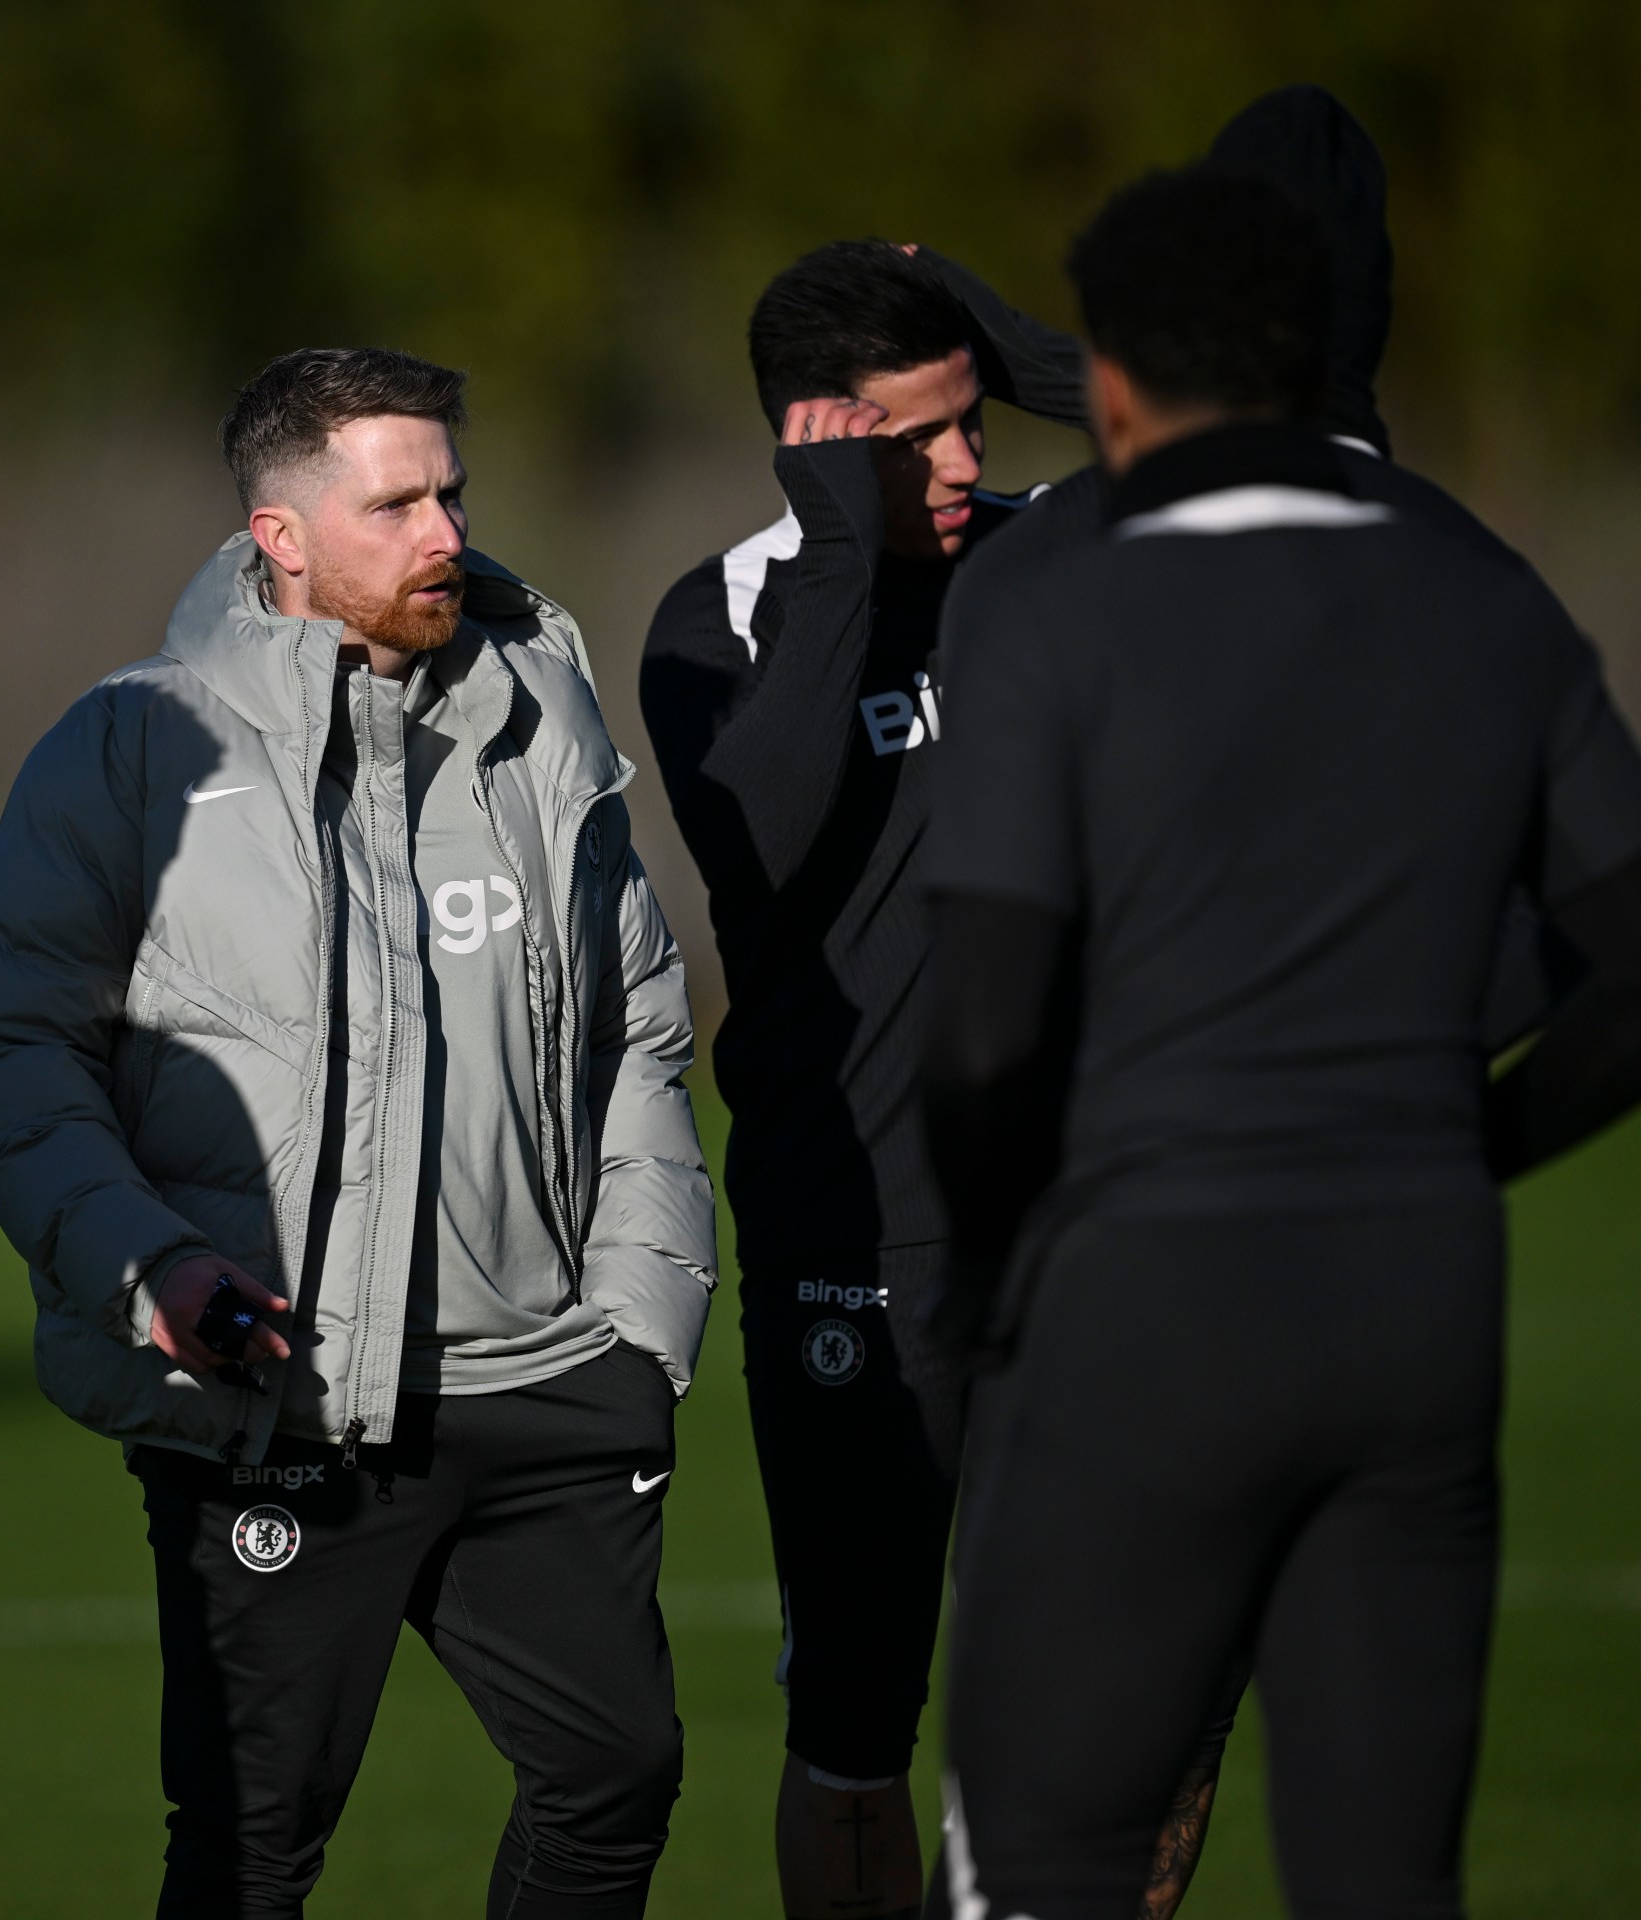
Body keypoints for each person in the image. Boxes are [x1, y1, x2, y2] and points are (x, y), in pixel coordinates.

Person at [922, 164, 1641, 1919]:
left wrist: (1000, 1278)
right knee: (1384, 1877)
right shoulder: (1487, 595)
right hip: (1416, 1298)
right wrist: (1464, 1150)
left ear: (1107, 384)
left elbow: (986, 1025)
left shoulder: (1052, 603)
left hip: (1149, 1291)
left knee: (1044, 1860)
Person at [0, 346, 717, 1918]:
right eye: (396, 505)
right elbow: (15, 1052)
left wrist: (640, 1315)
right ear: (280, 538)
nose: (446, 534)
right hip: (283, 1401)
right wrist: (150, 1269)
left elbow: (636, 1022)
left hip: (549, 1382)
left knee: (616, 1781)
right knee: (251, 1849)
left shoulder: (540, 719)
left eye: (451, 494)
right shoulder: (128, 749)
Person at [636, 239, 1088, 1917]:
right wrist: (839, 549)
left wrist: (1003, 330)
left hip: (1088, 1233)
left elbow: (1261, 433)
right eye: (917, 437)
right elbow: (757, 837)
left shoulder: (1055, 557)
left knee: (1107, 1720)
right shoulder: (720, 620)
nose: (965, 462)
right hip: (853, 1238)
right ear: (817, 442)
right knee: (853, 1739)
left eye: (977, 419)